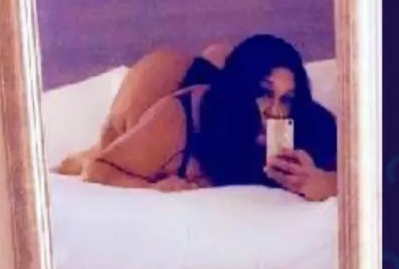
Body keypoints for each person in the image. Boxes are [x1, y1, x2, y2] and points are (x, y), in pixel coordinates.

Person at [55, 35, 337, 201]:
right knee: (109, 145)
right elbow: (100, 170)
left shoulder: (311, 122)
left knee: (221, 59)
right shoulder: (180, 119)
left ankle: (218, 58)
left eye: (286, 98)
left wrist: (321, 181)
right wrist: (150, 187)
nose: (275, 111)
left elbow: (356, 179)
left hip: (220, 87)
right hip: (165, 80)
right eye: (263, 93)